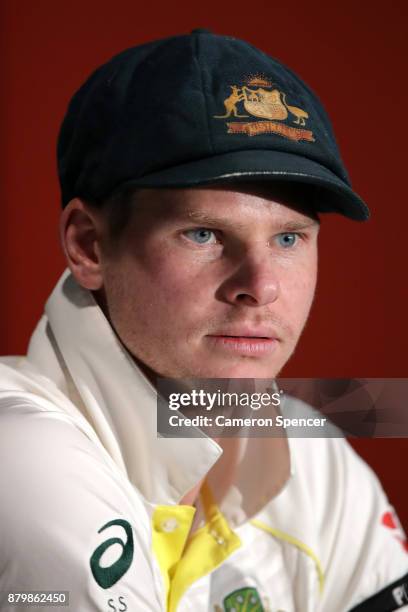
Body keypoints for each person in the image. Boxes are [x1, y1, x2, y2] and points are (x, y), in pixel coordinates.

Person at [0, 28, 407, 612]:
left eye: (289, 237)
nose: (261, 286)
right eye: (204, 233)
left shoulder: (313, 455)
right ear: (88, 245)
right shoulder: (20, 456)